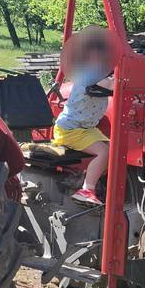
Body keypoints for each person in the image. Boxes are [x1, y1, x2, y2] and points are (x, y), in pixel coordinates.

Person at [52, 26, 114, 206]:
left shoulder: (99, 74)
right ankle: (87, 190)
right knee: (104, 152)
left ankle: (89, 178)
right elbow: (113, 86)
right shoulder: (88, 75)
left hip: (86, 129)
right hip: (70, 129)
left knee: (114, 150)